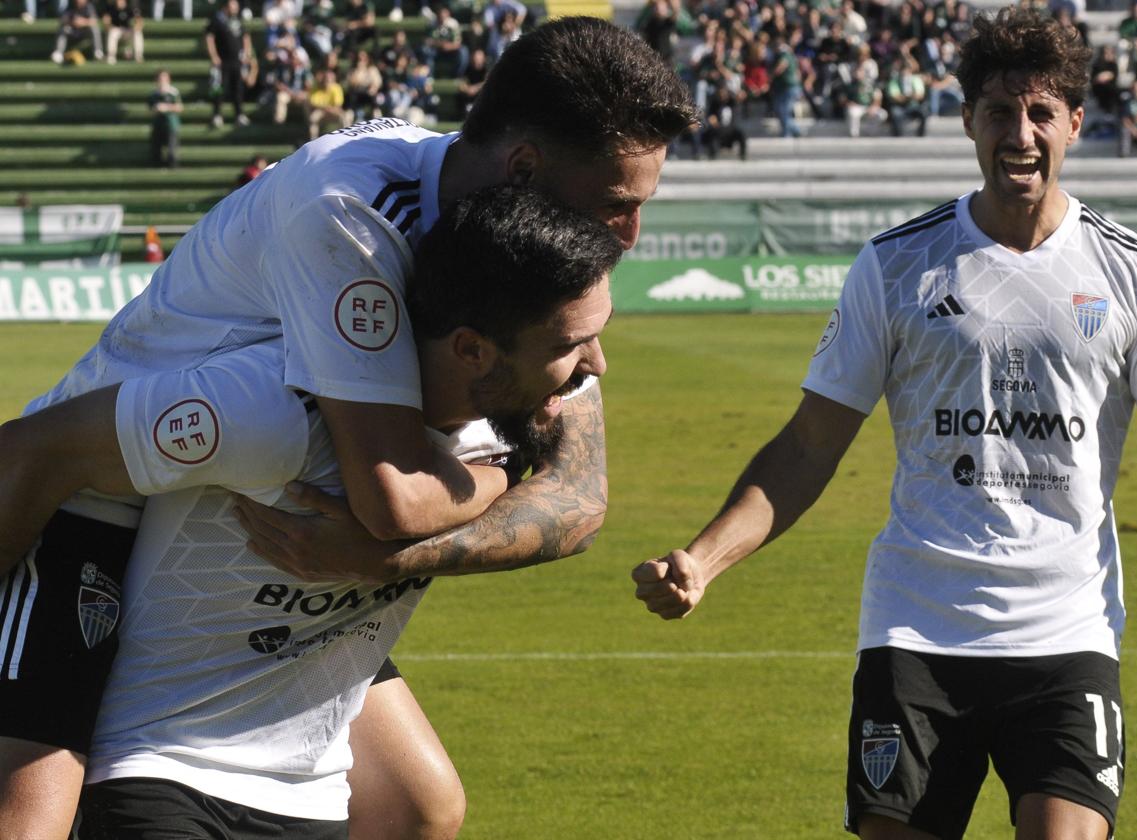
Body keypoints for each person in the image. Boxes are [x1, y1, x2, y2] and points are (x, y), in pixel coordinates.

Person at [0, 16, 694, 839]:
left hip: (226, 494)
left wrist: (381, 555)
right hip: (93, 495)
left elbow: (577, 497)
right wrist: (505, 473)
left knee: (418, 808)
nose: (627, 234)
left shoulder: (532, 269)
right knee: (28, 823)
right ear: (523, 169)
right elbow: (392, 498)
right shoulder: (352, 210)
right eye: (617, 204)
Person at [632, 8, 1137, 840]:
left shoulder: (1133, 272)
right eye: (1000, 111)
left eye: (1041, 112)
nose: (1021, 133)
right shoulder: (898, 264)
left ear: (1075, 124)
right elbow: (807, 445)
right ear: (968, 119)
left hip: (1067, 630)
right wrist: (705, 559)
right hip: (917, 627)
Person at [205, 0, 253, 127]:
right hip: (222, 62)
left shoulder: (237, 20)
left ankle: (239, 114)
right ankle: (216, 114)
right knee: (219, 89)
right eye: (233, 5)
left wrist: (247, 53)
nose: (236, 8)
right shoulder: (217, 20)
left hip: (236, 61)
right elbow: (209, 38)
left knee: (238, 89)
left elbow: (245, 37)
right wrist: (214, 56)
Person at [147, 67, 183, 167]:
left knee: (172, 152)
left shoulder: (173, 92)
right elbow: (150, 110)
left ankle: (174, 170)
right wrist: (156, 109)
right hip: (158, 125)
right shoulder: (153, 94)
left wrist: (166, 107)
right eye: (160, 79)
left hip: (171, 124)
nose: (162, 81)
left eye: (164, 78)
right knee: (156, 151)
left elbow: (180, 107)